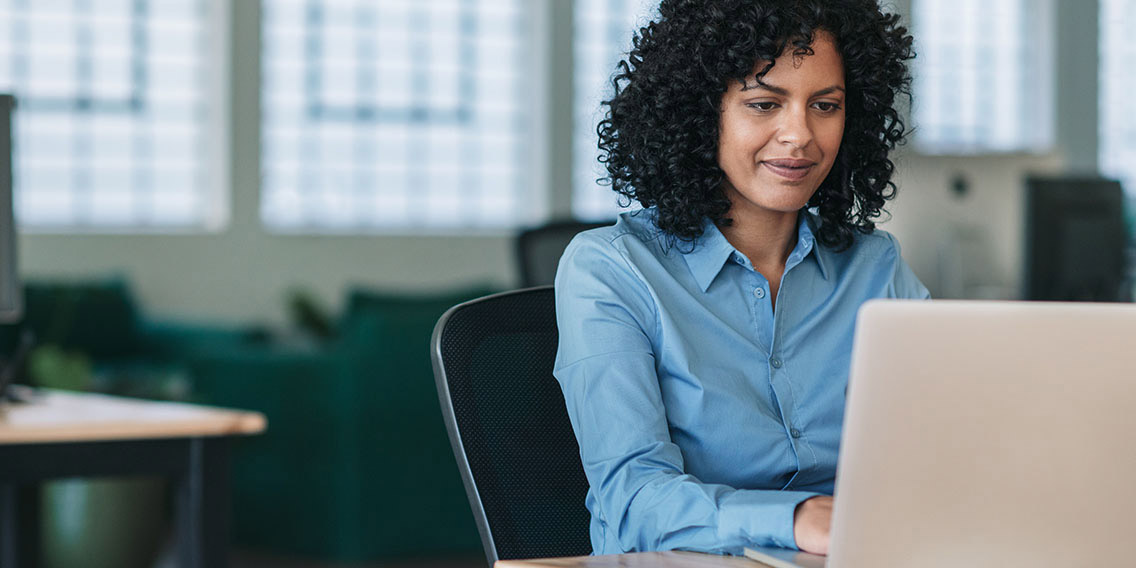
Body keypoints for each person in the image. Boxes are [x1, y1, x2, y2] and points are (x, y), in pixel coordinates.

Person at [553, 0, 927, 558]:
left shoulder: (876, 269)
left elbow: (943, 454)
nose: (799, 135)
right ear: (703, 113)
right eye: (763, 104)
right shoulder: (612, 269)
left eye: (825, 105)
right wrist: (796, 518)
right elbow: (633, 502)